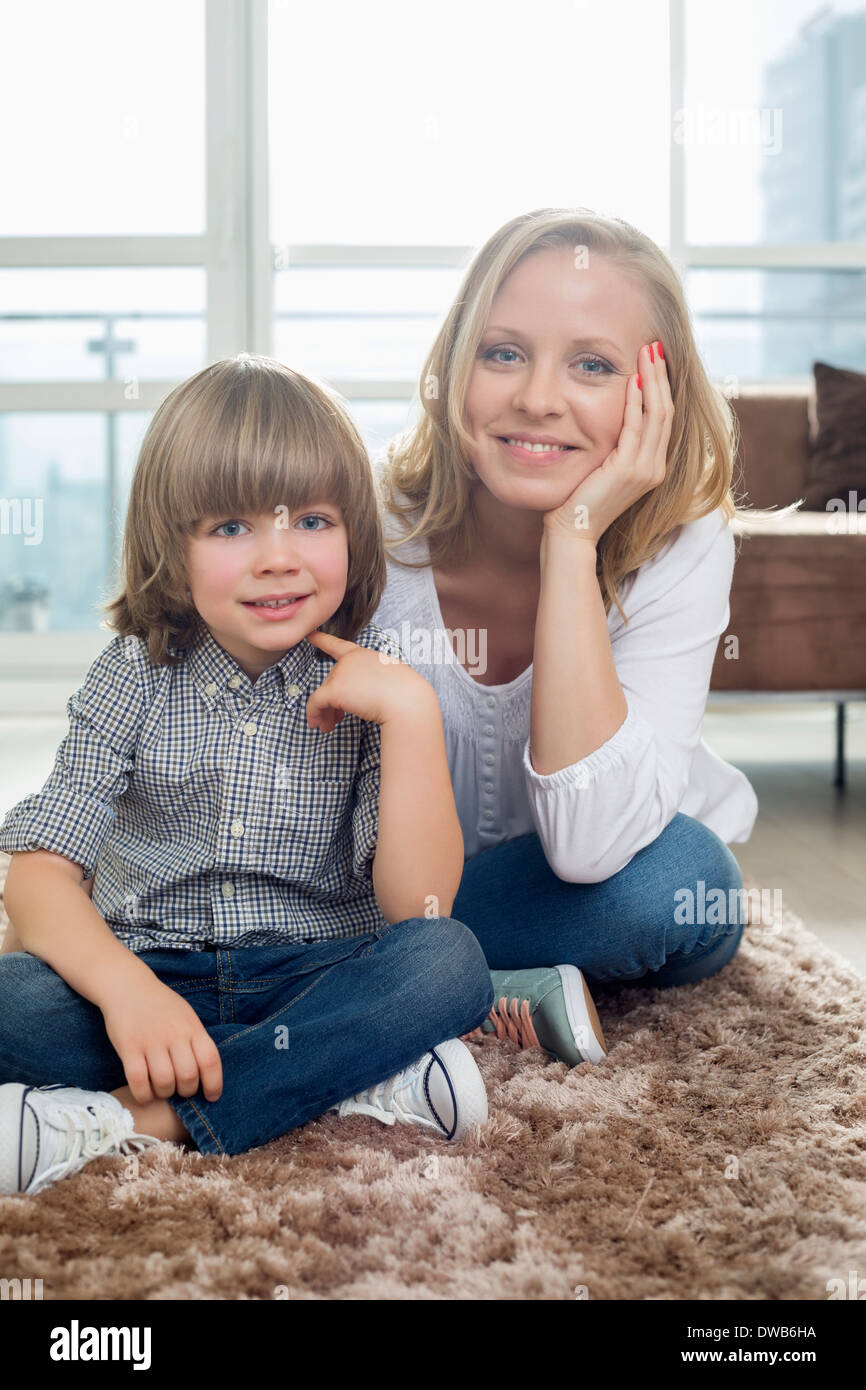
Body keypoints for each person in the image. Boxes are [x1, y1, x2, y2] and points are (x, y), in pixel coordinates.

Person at [0, 354, 499, 1197]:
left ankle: (133, 1121)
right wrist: (129, 996)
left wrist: (413, 717)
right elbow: (40, 875)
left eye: (311, 520)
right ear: (174, 547)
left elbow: (418, 907)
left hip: (311, 977)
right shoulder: (134, 672)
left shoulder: (376, 684)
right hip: (156, 976)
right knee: (13, 999)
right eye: (232, 528)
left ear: (354, 535)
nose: (279, 558)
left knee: (448, 964)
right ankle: (353, 1082)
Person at [371, 207, 760, 1054]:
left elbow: (591, 852)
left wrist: (573, 539)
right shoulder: (367, 527)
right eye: (503, 353)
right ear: (455, 368)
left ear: (654, 396)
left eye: (591, 365)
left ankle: (365, 970)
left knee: (683, 884)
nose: (537, 399)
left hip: (577, 886)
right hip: (392, 885)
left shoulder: (683, 547)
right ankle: (463, 982)